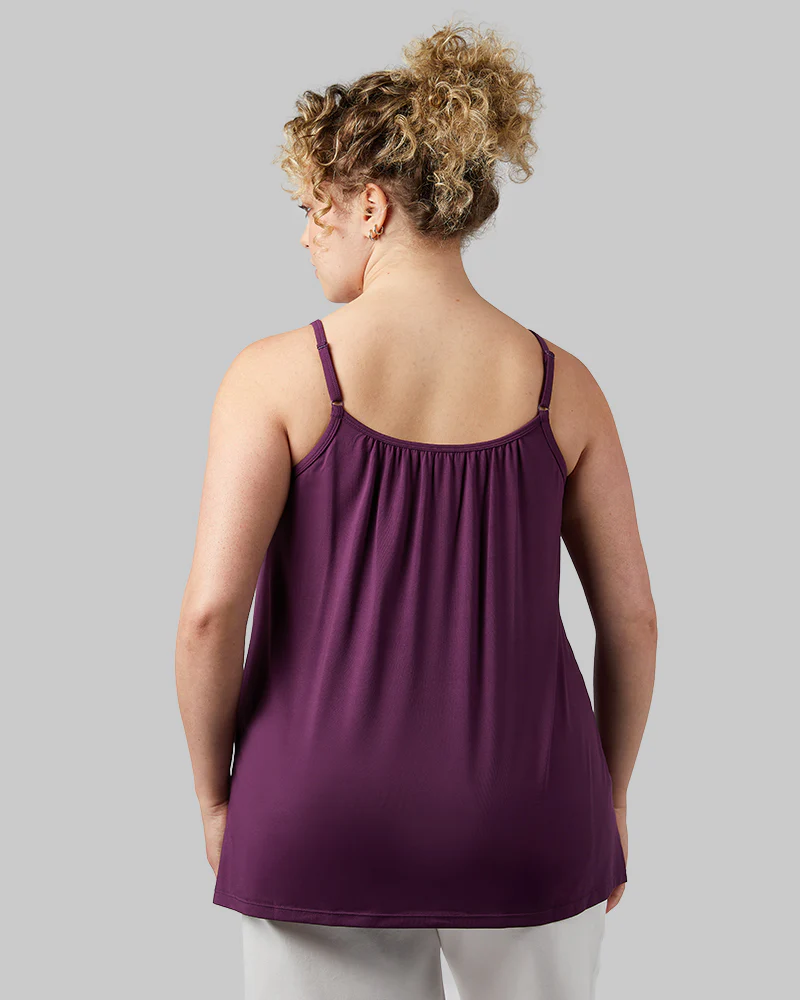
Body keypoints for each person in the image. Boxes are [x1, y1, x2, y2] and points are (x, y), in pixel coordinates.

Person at [175, 18, 657, 1000]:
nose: (303, 233)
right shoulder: (564, 386)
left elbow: (209, 617)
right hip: (532, 815)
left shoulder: (273, 377)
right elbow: (634, 621)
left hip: (315, 813)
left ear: (372, 205)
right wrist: (607, 801)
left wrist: (215, 799)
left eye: (313, 206)